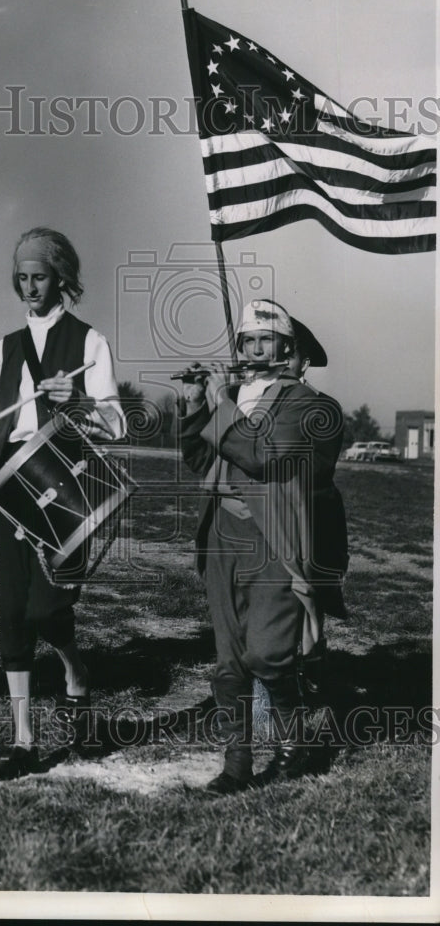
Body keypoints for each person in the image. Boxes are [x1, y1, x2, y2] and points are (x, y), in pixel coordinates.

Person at [0, 227, 125, 780]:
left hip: (67, 484)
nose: (29, 287)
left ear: (62, 278)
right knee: (13, 612)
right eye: (21, 278)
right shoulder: (5, 347)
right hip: (10, 484)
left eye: (39, 277)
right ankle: (23, 740)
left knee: (48, 608)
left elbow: (116, 423)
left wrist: (83, 401)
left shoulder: (90, 342)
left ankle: (76, 676)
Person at [178, 299, 348, 795]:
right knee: (229, 659)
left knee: (267, 654)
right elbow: (196, 459)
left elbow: (256, 454)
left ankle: (295, 744)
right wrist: (193, 404)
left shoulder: (306, 402)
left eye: (265, 341)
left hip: (275, 538)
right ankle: (237, 762)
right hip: (221, 536)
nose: (254, 349)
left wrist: (221, 403)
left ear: (288, 349)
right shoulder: (231, 394)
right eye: (247, 341)